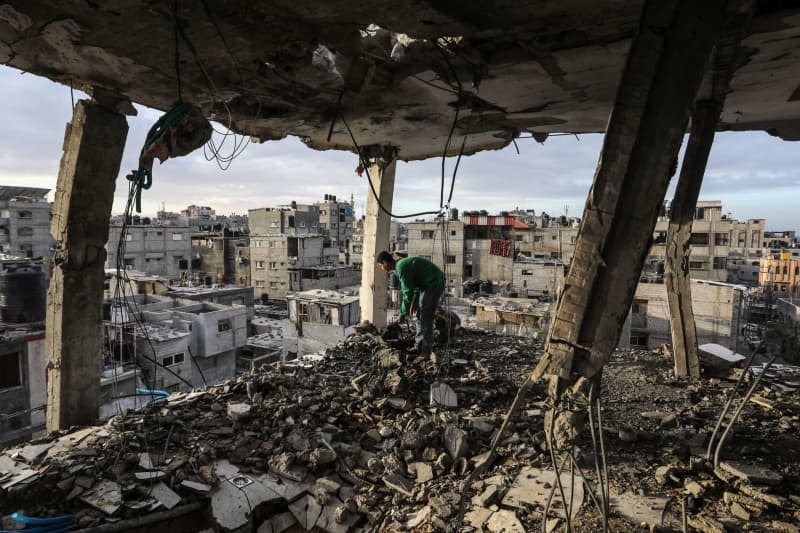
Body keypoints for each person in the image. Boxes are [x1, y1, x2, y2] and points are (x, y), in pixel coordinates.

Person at [377, 251, 445, 356]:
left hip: (434, 283)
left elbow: (407, 292)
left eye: (380, 265)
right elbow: (416, 285)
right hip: (426, 285)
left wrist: (402, 313)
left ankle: (426, 353)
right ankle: (419, 346)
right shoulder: (401, 265)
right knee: (419, 316)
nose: (381, 268)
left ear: (385, 262)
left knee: (425, 317)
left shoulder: (401, 267)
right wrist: (414, 302)